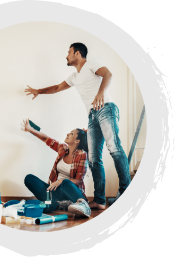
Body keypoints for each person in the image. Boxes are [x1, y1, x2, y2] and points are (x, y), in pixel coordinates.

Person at [25, 42, 131, 209]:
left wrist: (101, 92)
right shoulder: (74, 77)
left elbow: (107, 74)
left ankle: (126, 191)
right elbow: (57, 88)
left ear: (77, 53)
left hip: (106, 108)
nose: (66, 56)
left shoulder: (90, 64)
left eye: (69, 52)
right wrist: (39, 91)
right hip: (92, 115)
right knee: (95, 159)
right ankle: (99, 200)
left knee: (114, 148)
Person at [22, 118, 91, 218]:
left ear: (77, 140)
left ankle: (82, 205)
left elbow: (78, 181)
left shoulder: (82, 155)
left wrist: (61, 181)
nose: (68, 134)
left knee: (66, 182)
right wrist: (30, 129)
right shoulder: (62, 148)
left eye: (71, 134)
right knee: (29, 178)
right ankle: (58, 204)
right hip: (55, 191)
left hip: (70, 191)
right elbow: (46, 139)